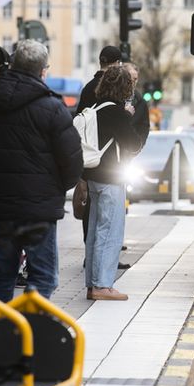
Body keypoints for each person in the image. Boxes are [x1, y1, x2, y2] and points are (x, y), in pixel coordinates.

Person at [0, 39, 83, 303]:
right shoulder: (52, 107)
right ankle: (30, 332)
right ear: (43, 71)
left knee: (3, 273)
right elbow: (72, 160)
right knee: (43, 276)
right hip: (37, 209)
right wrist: (55, 189)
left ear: (12, 65)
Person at [83, 64, 141, 301]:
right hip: (111, 178)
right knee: (110, 230)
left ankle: (92, 284)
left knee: (95, 231)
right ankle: (102, 285)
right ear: (124, 88)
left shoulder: (94, 108)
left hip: (94, 176)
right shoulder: (118, 113)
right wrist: (128, 117)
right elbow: (134, 144)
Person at [76, 45, 124, 244]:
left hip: (88, 158)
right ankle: (102, 262)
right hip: (109, 164)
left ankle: (90, 250)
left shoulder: (88, 87)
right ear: (117, 63)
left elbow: (79, 120)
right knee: (108, 220)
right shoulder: (114, 89)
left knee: (91, 211)